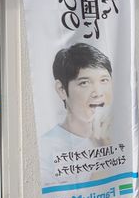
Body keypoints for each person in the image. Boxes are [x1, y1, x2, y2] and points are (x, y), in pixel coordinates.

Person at [39, 43, 114, 183]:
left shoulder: (118, 134)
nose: (98, 93)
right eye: (84, 83)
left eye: (104, 80)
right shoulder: (46, 148)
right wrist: (103, 152)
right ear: (61, 89)